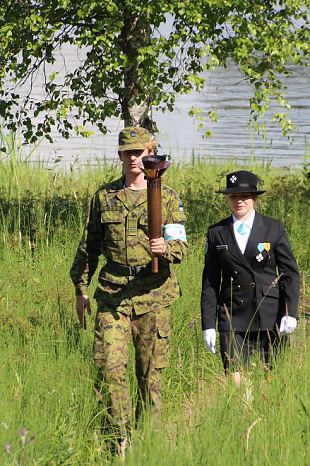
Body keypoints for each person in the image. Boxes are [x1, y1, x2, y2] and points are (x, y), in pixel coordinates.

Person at [70, 126, 187, 451]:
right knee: (110, 369)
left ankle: (148, 442)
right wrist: (81, 289)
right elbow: (89, 247)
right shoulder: (105, 197)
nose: (134, 158)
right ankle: (120, 441)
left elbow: (182, 248)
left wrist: (166, 248)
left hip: (154, 297)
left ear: (149, 152)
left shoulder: (166, 195)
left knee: (150, 379)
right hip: (113, 297)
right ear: (120, 155)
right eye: (128, 152)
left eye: (139, 152)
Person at [201, 170, 300, 383]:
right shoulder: (217, 232)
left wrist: (290, 312)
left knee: (269, 383)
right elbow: (210, 282)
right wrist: (208, 324)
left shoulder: (273, 228)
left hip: (270, 315)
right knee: (237, 386)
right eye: (233, 196)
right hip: (233, 316)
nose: (239, 201)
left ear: (254, 198)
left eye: (244, 196)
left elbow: (289, 273)